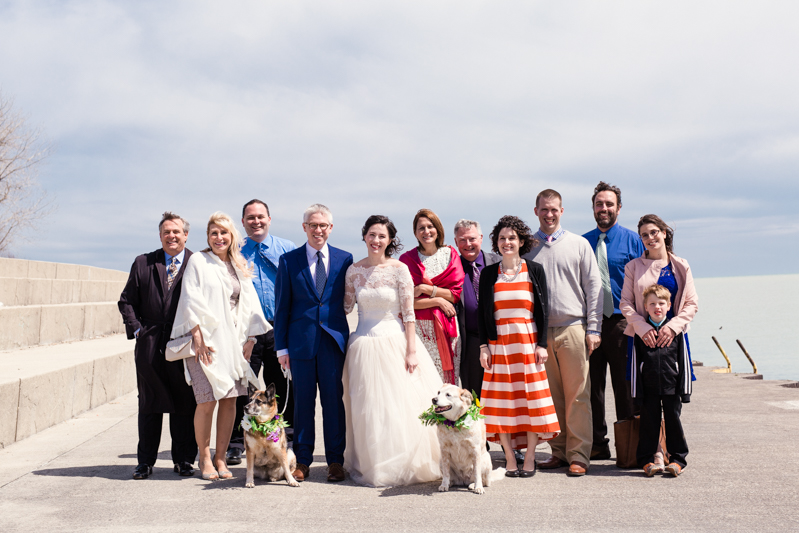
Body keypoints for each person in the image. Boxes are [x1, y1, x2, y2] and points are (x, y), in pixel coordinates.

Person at [342, 215, 443, 487]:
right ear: (364, 236)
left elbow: (408, 314)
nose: (376, 240)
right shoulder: (353, 271)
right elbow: (345, 307)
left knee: (398, 405)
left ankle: (402, 461)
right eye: (372, 235)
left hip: (394, 341)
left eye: (382, 236)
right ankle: (372, 462)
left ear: (390, 241)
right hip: (362, 344)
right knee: (368, 407)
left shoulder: (399, 269)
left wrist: (411, 350)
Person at [171, 212, 270, 480]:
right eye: (214, 233)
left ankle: (220, 458)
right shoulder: (198, 261)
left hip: (234, 345)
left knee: (229, 402)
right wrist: (198, 338)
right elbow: (190, 298)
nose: (219, 237)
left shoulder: (239, 264)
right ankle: (204, 459)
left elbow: (251, 304)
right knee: (206, 401)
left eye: (223, 233)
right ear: (208, 237)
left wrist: (250, 339)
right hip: (206, 344)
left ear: (232, 236)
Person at [523, 189, 602, 477]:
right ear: (536, 211)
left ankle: (579, 454)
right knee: (551, 396)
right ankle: (557, 451)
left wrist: (594, 328)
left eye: (554, 209)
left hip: (573, 328)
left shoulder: (579, 245)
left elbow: (594, 287)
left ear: (562, 210)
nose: (549, 214)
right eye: (544, 209)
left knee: (578, 395)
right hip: (539, 334)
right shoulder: (527, 247)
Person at [274, 203, 353, 483]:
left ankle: (335, 461)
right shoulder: (289, 260)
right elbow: (282, 306)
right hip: (300, 344)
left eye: (323, 225)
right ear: (304, 227)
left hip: (332, 342)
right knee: (302, 405)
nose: (318, 230)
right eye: (312, 225)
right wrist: (281, 347)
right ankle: (303, 461)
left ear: (330, 228)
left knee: (334, 403)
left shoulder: (345, 259)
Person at [478, 216, 560, 478]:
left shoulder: (534, 270)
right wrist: (483, 347)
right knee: (502, 403)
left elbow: (543, 311)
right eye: (502, 238)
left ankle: (531, 457)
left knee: (531, 402)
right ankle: (510, 457)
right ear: (497, 243)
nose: (507, 242)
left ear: (521, 241)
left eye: (512, 238)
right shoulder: (489, 274)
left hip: (527, 344)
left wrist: (542, 345)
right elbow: (483, 315)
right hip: (499, 345)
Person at [118, 212, 198, 480]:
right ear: (160, 236)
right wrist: (138, 329)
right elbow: (126, 300)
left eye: (177, 232)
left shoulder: (196, 263)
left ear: (186, 235)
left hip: (184, 343)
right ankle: (145, 461)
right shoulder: (144, 262)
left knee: (185, 403)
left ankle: (184, 460)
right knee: (149, 404)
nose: (172, 236)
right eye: (166, 232)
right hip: (150, 342)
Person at [620, 213, 698, 470]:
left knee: (672, 401)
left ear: (664, 232)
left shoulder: (681, 265)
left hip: (673, 339)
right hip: (643, 339)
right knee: (647, 400)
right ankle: (652, 455)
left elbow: (690, 303)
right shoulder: (633, 267)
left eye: (654, 232)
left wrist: (673, 328)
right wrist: (642, 328)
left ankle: (675, 456)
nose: (650, 238)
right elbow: (626, 305)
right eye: (644, 235)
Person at [226, 199, 297, 466]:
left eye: (261, 217)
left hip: (279, 327)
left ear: (269, 219)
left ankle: (284, 436)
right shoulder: (235, 250)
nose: (256, 222)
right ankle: (237, 442)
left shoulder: (286, 249)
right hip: (248, 332)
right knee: (243, 387)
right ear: (243, 222)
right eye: (250, 218)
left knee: (280, 385)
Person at [582, 182, 645, 460]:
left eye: (609, 204)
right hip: (590, 324)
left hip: (623, 323)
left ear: (619, 208)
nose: (604, 209)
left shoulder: (634, 241)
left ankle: (628, 448)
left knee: (625, 387)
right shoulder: (582, 243)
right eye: (599, 204)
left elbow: (644, 283)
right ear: (593, 208)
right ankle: (597, 444)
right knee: (592, 388)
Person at [630, 284, 692, 476]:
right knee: (649, 424)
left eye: (661, 303)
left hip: (671, 387)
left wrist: (685, 391)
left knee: (674, 422)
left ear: (669, 306)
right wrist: (636, 392)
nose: (657, 307)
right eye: (652, 303)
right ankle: (647, 460)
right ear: (646, 307)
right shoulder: (641, 333)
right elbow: (634, 364)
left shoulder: (676, 332)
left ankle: (677, 460)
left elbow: (684, 362)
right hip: (648, 389)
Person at [399, 209, 465, 384]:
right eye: (421, 228)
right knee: (422, 380)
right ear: (415, 232)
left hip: (448, 326)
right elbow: (406, 302)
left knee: (447, 382)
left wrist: (425, 289)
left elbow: (455, 295)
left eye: (430, 226)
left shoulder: (450, 255)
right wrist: (437, 300)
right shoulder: (407, 260)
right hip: (419, 330)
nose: (426, 231)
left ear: (438, 229)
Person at [453, 219, 500, 398]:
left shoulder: (499, 262)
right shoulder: (451, 268)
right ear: (456, 242)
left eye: (472, 239)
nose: (468, 244)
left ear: (481, 238)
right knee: (474, 397)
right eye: (462, 240)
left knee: (503, 395)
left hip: (501, 339)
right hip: (470, 343)